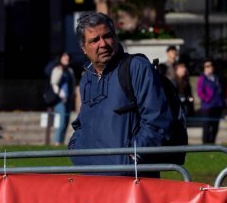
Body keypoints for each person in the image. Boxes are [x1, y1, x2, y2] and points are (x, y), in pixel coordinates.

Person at [68, 12, 175, 175]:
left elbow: (158, 120)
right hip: (92, 180)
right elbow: (82, 124)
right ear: (84, 48)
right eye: (94, 40)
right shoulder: (87, 78)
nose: (103, 44)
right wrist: (76, 150)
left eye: (107, 36)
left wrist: (131, 158)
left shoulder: (137, 68)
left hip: (132, 183)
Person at [48, 51, 76, 146]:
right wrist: (60, 94)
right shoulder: (57, 69)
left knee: (66, 121)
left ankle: (61, 141)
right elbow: (54, 83)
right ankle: (57, 142)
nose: (67, 59)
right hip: (59, 100)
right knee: (62, 121)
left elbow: (72, 84)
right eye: (64, 57)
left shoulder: (69, 71)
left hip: (68, 100)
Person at [196, 60, 224, 144]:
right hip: (207, 106)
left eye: (211, 65)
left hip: (217, 105)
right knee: (207, 126)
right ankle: (205, 143)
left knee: (215, 126)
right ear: (204, 68)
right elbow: (200, 92)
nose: (210, 68)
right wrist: (207, 99)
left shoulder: (216, 78)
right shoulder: (202, 78)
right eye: (207, 66)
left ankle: (212, 142)